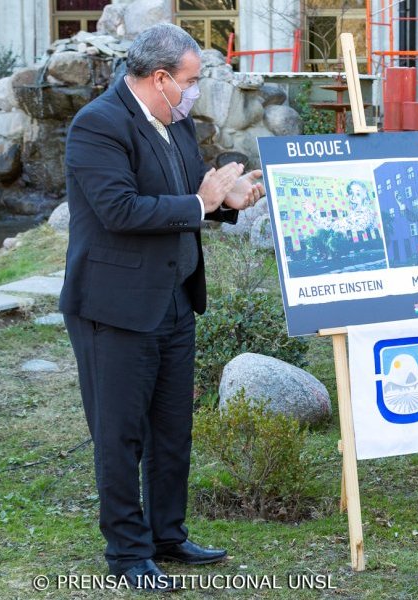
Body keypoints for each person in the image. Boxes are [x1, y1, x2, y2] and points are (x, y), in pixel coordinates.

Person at [60, 23, 264, 591]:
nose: (197, 91)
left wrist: (228, 202)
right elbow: (121, 210)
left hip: (174, 300)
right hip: (114, 308)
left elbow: (188, 200)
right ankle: (128, 553)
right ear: (161, 77)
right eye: (193, 81)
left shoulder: (174, 122)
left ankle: (168, 535)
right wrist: (201, 199)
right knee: (119, 434)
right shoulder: (96, 124)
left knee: (172, 430)